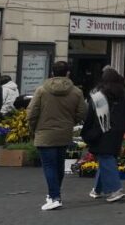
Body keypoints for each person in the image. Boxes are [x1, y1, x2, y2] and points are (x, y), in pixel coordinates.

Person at [27, 61, 88, 211]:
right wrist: (70, 122)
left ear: (52, 73)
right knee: (59, 165)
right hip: (64, 132)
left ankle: (54, 197)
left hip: (44, 132)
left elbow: (31, 113)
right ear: (68, 73)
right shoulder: (76, 92)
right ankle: (53, 194)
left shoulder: (41, 90)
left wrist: (33, 128)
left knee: (49, 166)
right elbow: (82, 113)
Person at [82, 68, 125, 202]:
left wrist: (86, 130)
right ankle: (97, 189)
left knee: (106, 157)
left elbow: (91, 115)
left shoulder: (99, 95)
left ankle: (115, 190)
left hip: (103, 130)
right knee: (106, 157)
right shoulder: (123, 94)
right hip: (118, 131)